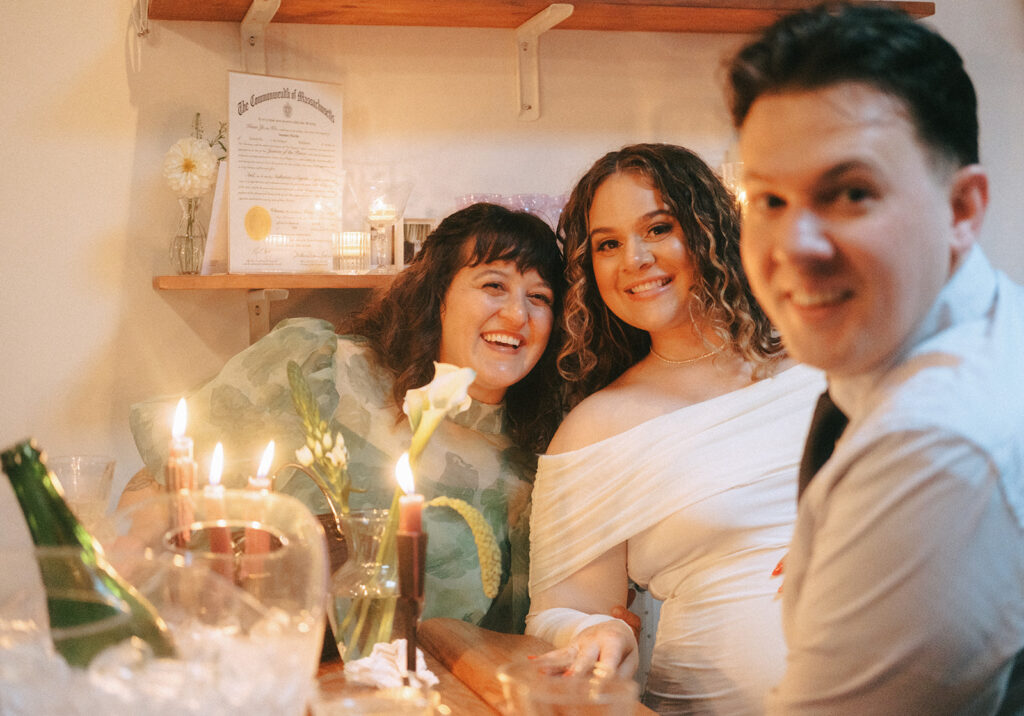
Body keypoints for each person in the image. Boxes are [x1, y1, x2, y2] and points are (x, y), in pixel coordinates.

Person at [726, 4, 1024, 713]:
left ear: (962, 208)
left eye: (851, 193)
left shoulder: (937, 446)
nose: (794, 245)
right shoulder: (963, 330)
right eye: (767, 198)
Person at [126, 202, 565, 633]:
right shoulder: (320, 366)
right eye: (494, 285)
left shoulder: (535, 472)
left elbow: (509, 640)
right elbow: (161, 488)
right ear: (438, 294)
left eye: (539, 297)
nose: (517, 314)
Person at [526, 143, 824, 714]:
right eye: (607, 244)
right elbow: (554, 612)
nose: (633, 258)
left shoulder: (826, 358)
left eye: (658, 228)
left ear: (710, 228)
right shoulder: (597, 427)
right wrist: (596, 634)